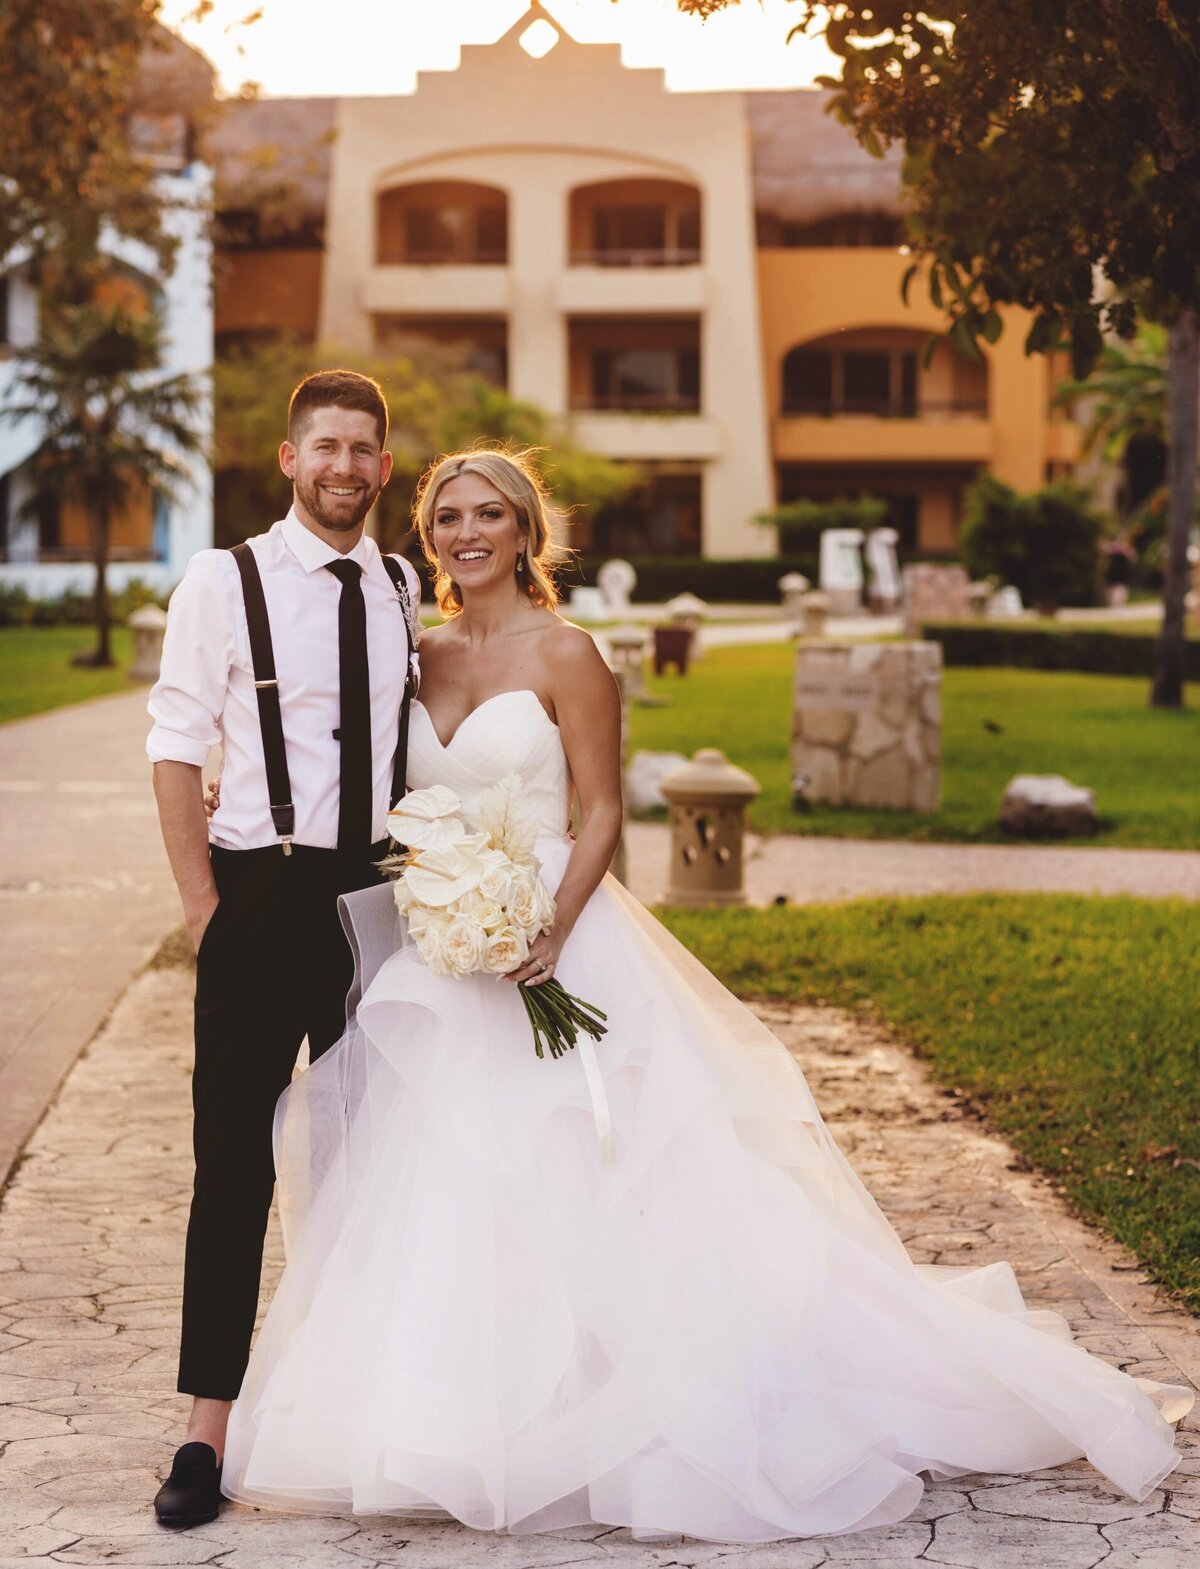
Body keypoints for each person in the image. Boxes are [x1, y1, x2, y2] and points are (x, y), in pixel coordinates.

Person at [218, 448, 1191, 1543]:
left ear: (528, 532)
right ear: (427, 532)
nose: (466, 532)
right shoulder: (417, 652)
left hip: (557, 943)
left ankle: (619, 1404)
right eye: (447, 516)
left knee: (596, 1175)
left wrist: (549, 925)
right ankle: (455, 1420)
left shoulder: (571, 653)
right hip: (447, 950)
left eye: (490, 513)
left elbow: (597, 813)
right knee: (448, 1179)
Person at [146, 370, 421, 1528]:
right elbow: (175, 744)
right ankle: (206, 1431)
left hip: (383, 906)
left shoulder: (407, 583)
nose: (345, 467)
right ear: (289, 458)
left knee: (375, 1165)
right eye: (327, 448)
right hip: (260, 899)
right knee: (237, 1167)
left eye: (364, 449)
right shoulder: (226, 579)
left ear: (385, 467)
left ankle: (362, 1410)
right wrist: (207, 908)